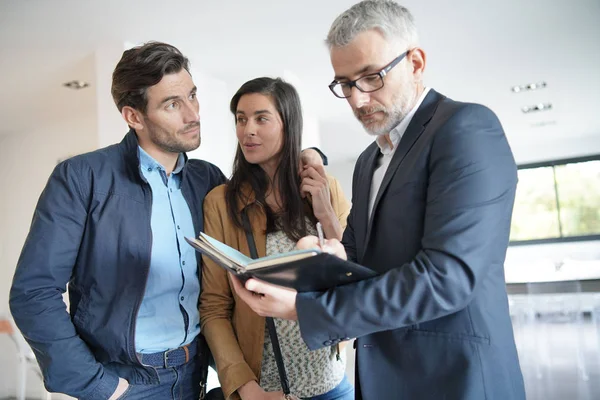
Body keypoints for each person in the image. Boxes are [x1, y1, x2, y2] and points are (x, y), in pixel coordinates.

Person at [230, 1, 527, 399]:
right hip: (382, 378)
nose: (356, 100)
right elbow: (357, 253)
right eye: (344, 84)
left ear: (416, 63)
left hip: (455, 381)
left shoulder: (466, 129)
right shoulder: (369, 160)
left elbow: (447, 278)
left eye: (370, 77)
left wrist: (305, 309)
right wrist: (321, 256)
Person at [9, 42, 325, 400]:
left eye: (192, 96)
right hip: (125, 383)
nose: (193, 114)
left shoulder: (208, 180)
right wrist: (100, 386)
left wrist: (309, 154)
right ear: (134, 117)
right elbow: (33, 294)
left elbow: (271, 185)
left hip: (196, 376)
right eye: (173, 104)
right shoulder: (82, 178)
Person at [199, 77, 354, 400]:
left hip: (332, 385)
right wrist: (247, 388)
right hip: (264, 390)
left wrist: (325, 214)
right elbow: (214, 306)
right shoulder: (221, 202)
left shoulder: (327, 188)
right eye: (241, 119)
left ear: (288, 123)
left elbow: (356, 280)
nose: (247, 130)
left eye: (261, 118)